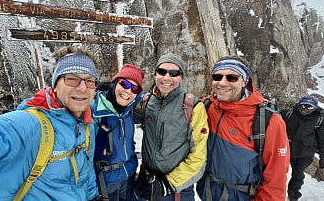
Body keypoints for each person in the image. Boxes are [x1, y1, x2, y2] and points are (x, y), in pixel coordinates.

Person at [0, 46, 100, 200]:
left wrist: (93, 195)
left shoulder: (86, 123)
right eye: (72, 79)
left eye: (90, 81)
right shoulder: (29, 125)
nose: (82, 88)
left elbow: (87, 172)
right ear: (54, 85)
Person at [196, 56, 290, 201]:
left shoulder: (268, 120)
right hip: (208, 191)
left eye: (232, 77)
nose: (222, 82)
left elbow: (276, 176)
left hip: (242, 196)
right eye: (217, 76)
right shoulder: (207, 107)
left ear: (244, 82)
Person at [133, 53, 209, 201]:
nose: (166, 78)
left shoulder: (192, 106)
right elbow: (121, 109)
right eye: (162, 72)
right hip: (146, 182)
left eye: (174, 73)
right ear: (155, 75)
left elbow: (199, 156)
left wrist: (168, 184)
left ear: (181, 77)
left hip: (176, 189)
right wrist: (109, 92)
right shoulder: (145, 102)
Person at [91, 64, 145, 201]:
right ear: (115, 82)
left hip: (129, 176)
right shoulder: (94, 109)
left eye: (135, 88)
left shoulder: (130, 109)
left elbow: (143, 98)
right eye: (125, 84)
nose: (128, 91)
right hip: (106, 182)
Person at [280, 95, 324, 201]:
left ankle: (293, 194)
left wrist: (323, 156)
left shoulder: (319, 119)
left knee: (298, 174)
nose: (304, 109)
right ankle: (274, 191)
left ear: (314, 108)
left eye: (308, 107)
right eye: (303, 106)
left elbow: (322, 139)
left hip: (304, 151)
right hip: (285, 148)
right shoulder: (288, 113)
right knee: (278, 171)